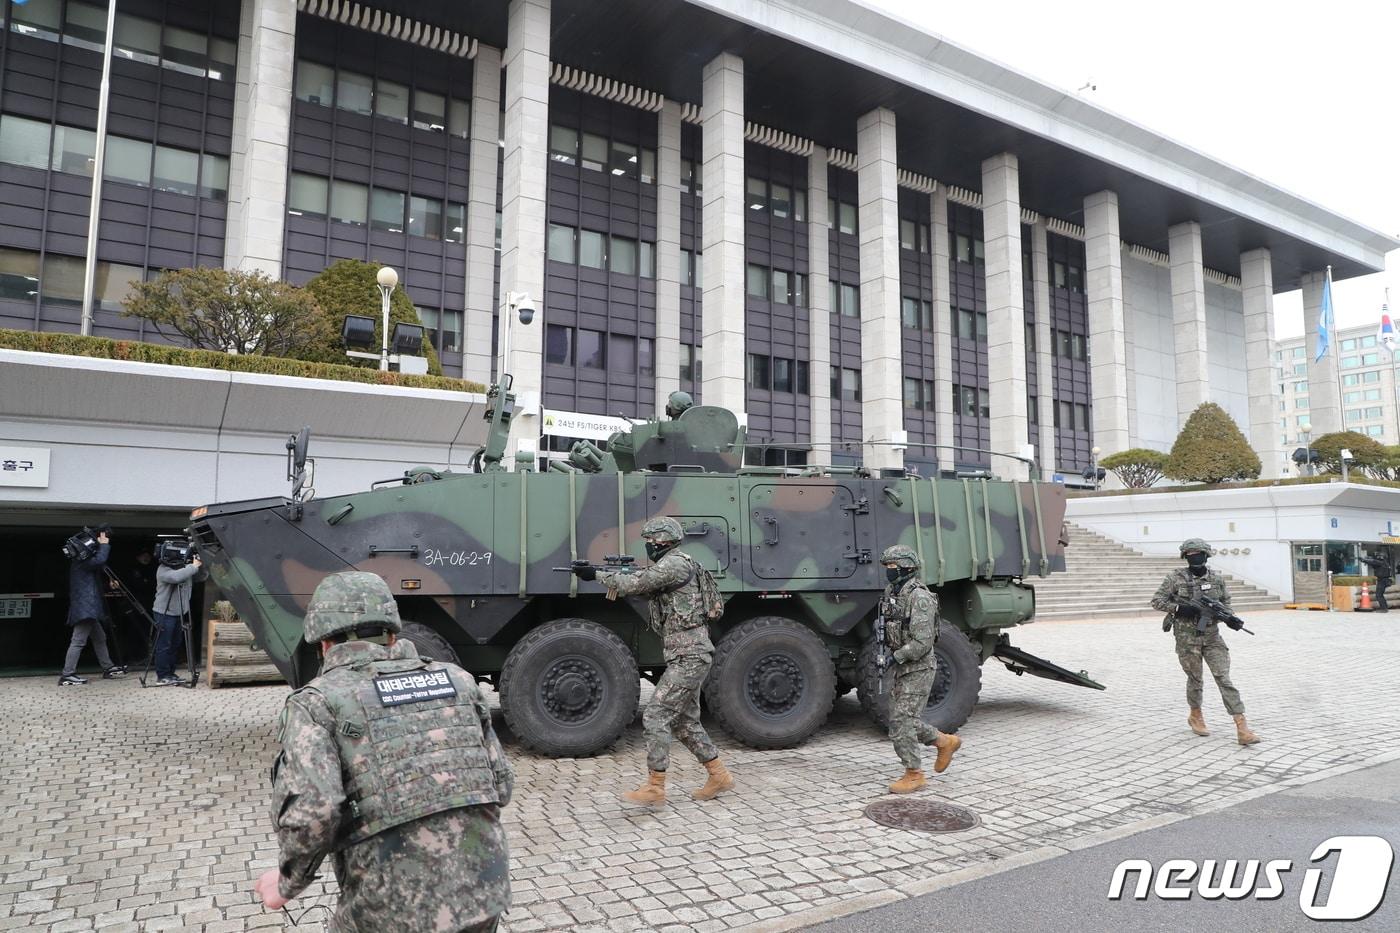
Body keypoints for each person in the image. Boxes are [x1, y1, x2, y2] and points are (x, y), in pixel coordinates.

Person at [253, 571, 513, 932]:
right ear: (393, 633)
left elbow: (315, 813)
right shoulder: (459, 681)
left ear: (324, 643)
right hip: (483, 893)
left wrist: (286, 883)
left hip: (390, 912)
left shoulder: (317, 703)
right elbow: (501, 786)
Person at [574, 516, 733, 805]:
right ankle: (719, 775)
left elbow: (637, 583)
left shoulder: (674, 564)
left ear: (663, 541)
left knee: (656, 715)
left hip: (690, 656)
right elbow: (642, 584)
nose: (648, 546)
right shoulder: (674, 564)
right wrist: (603, 572)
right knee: (685, 722)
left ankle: (655, 787)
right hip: (687, 655)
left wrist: (594, 575)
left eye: (650, 542)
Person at [1150, 538, 1260, 745]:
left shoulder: (1217, 579)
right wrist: (1180, 608)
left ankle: (1242, 726)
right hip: (1186, 637)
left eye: (1198, 554)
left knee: (1224, 678)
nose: (1195, 557)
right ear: (1185, 557)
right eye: (1190, 555)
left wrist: (1230, 619)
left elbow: (1226, 604)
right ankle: (1196, 715)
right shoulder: (1175, 577)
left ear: (1206, 555)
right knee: (1195, 679)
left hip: (1212, 636)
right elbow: (1157, 601)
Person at [878, 545, 960, 794]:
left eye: (892, 567)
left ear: (906, 568)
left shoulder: (920, 598)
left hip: (918, 667)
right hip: (903, 666)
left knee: (901, 722)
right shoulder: (893, 591)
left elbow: (923, 643)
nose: (888, 572)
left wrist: (897, 656)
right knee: (901, 721)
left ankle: (914, 774)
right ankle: (945, 742)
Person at [59, 527, 126, 685]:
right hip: (86, 608)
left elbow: (94, 575)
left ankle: (108, 667)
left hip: (88, 607)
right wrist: (104, 544)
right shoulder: (82, 561)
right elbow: (100, 560)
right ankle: (67, 674)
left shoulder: (81, 562)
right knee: (78, 641)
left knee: (100, 637)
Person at [151, 542, 207, 686]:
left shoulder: (185, 568)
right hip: (164, 612)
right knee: (164, 645)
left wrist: (201, 564)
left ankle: (171, 673)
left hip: (180, 612)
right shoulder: (163, 569)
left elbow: (201, 577)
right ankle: (162, 676)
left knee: (175, 644)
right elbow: (176, 578)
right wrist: (193, 566)